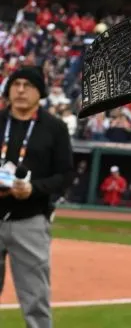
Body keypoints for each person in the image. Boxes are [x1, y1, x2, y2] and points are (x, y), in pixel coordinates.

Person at [0, 66, 74, 328]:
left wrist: (35, 188)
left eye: (27, 85)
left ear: (39, 92)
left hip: (30, 220)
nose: (20, 90)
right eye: (15, 84)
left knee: (35, 299)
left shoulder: (54, 128)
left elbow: (65, 175)